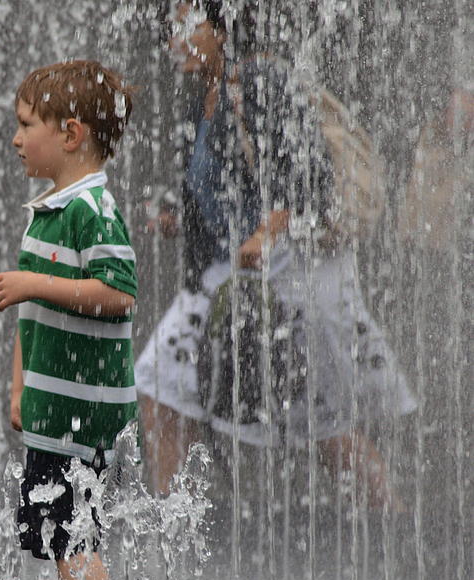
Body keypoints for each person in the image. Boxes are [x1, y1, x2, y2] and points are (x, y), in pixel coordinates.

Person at [135, 1, 416, 506]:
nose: (173, 39)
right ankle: (181, 526)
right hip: (228, 274)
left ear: (222, 30)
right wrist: (177, 217)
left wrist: (266, 232)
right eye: (168, 29)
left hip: (292, 270)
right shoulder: (201, 95)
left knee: (320, 425)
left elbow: (313, 183)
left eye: (187, 25)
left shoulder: (261, 80)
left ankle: (388, 522)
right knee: (159, 389)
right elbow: (218, 190)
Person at [0, 60, 137, 580]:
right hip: (56, 413)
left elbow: (119, 292)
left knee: (79, 541)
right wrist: (19, 381)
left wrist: (34, 281)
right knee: (62, 542)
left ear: (71, 134)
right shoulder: (49, 210)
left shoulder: (93, 210)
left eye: (27, 126)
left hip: (85, 415)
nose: (17, 139)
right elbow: (34, 316)